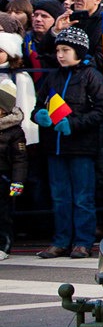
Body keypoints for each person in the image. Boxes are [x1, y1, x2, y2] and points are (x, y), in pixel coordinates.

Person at [32, 27, 103, 259]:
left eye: (65, 50)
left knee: (82, 197)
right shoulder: (53, 76)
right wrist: (39, 116)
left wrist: (73, 124)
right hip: (55, 148)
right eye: (58, 50)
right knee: (59, 196)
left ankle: (83, 242)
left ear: (78, 50)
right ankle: (61, 240)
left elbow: (102, 110)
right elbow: (38, 105)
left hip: (81, 148)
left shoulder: (91, 76)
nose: (60, 55)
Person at [0, 33, 37, 260]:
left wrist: (17, 182)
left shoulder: (13, 131)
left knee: (3, 213)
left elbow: (20, 159)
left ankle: (3, 245)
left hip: (4, 175)